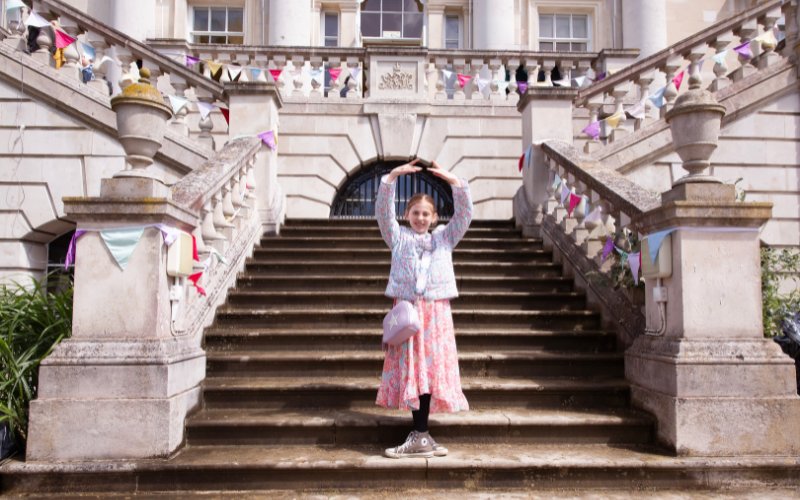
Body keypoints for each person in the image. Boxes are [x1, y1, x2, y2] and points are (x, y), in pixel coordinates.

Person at [375, 159, 472, 459]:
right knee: (414, 374)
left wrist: (457, 184)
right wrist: (390, 179)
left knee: (428, 373)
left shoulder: (444, 239)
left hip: (436, 315)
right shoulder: (398, 238)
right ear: (407, 215)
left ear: (433, 217)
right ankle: (422, 436)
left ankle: (422, 436)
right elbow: (382, 215)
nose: (420, 218)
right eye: (415, 213)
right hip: (409, 314)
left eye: (425, 214)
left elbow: (464, 217)